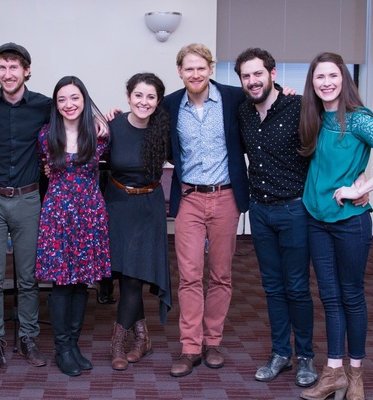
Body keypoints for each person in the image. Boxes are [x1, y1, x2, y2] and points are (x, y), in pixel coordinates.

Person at [299, 52, 373, 400]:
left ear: (344, 79)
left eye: (333, 75)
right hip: (316, 219)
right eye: (319, 77)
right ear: (312, 83)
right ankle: (333, 373)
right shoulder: (313, 116)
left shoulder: (359, 120)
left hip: (350, 223)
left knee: (351, 296)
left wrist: (360, 188)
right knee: (329, 298)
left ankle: (355, 373)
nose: (326, 82)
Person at [162, 43, 250, 378]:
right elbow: (150, 129)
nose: (195, 74)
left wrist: (284, 92)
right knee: (189, 275)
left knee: (221, 275)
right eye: (189, 69)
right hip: (189, 198)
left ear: (211, 69)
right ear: (180, 72)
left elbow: (265, 108)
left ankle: (213, 341)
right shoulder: (170, 105)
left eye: (201, 68)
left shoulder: (233, 98)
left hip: (226, 197)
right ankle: (190, 347)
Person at [234, 48, 318, 387]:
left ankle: (307, 358)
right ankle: (281, 352)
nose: (253, 81)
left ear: (273, 73)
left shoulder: (300, 107)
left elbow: (329, 148)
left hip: (295, 210)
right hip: (261, 210)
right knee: (271, 286)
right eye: (246, 76)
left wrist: (357, 180)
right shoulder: (243, 112)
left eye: (258, 74)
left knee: (297, 287)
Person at [0, 43, 50, 371]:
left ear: (27, 70)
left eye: (14, 68)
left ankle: (28, 336)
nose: (8, 74)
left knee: (28, 276)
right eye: (2, 68)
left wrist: (108, 119)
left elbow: (75, 116)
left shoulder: (44, 106)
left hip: (28, 198)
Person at [36, 76, 111, 377]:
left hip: (89, 212)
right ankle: (62, 348)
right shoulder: (45, 136)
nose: (69, 104)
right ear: (56, 104)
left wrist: (107, 117)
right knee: (62, 283)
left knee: (83, 282)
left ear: (84, 100)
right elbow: (42, 168)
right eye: (62, 99)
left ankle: (74, 344)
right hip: (57, 213)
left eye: (75, 98)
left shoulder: (99, 135)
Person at [105, 72, 172, 371]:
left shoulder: (164, 129)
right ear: (128, 96)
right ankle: (142, 338)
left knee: (133, 276)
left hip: (148, 206)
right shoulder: (113, 126)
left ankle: (118, 342)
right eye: (138, 95)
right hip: (117, 204)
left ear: (158, 101)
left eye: (151, 97)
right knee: (124, 273)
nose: (144, 102)